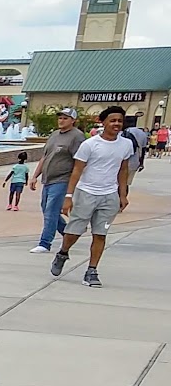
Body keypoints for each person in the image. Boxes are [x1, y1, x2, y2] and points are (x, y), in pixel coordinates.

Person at [53, 105, 135, 288]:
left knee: (100, 234)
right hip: (86, 193)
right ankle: (63, 252)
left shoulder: (126, 144)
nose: (116, 124)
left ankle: (92, 271)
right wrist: (68, 196)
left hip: (109, 196)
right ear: (103, 122)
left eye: (120, 121)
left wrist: (122, 195)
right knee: (74, 232)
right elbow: (77, 171)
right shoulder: (90, 145)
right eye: (112, 120)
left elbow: (123, 170)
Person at [31, 106, 84, 252]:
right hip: (48, 179)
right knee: (46, 209)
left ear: (73, 120)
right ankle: (68, 234)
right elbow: (45, 157)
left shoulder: (77, 137)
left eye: (65, 118)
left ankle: (45, 243)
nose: (61, 121)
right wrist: (35, 176)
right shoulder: (54, 135)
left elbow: (79, 161)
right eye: (60, 118)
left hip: (62, 179)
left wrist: (74, 183)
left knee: (51, 211)